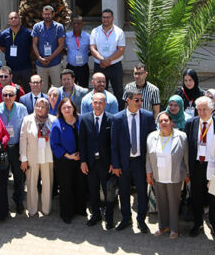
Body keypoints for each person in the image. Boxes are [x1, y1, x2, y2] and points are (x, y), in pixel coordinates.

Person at [111, 90, 156, 233]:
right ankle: (126, 218)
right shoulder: (118, 118)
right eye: (136, 100)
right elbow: (114, 144)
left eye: (141, 100)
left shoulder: (148, 116)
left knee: (142, 191)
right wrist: (116, 165)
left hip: (140, 162)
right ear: (128, 100)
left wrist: (151, 165)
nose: (140, 103)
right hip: (124, 162)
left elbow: (153, 141)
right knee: (123, 191)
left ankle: (141, 220)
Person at [145, 111, 188, 239]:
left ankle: (174, 229)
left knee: (173, 203)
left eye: (166, 120)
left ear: (171, 122)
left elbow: (186, 156)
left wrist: (187, 173)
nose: (163, 123)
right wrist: (148, 173)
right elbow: (148, 157)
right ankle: (162, 226)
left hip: (174, 175)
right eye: (161, 121)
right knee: (161, 202)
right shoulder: (152, 137)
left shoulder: (181, 136)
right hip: (158, 175)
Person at [78, 91, 114, 228]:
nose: (98, 105)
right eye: (95, 102)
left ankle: (109, 217)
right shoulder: (84, 118)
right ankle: (96, 215)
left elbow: (113, 144)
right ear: (91, 104)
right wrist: (83, 161)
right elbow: (82, 142)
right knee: (93, 190)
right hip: (90, 163)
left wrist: (113, 163)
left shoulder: (111, 119)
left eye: (101, 103)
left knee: (108, 191)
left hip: (106, 163)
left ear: (105, 104)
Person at [187, 96, 215, 238]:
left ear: (212, 109)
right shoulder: (191, 123)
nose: (201, 112)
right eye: (199, 109)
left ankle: (214, 224)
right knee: (197, 196)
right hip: (197, 165)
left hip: (213, 166)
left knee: (213, 196)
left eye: (204, 109)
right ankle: (197, 223)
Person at [20, 98, 55, 218]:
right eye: (37, 106)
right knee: (31, 183)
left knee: (47, 184)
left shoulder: (53, 120)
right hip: (32, 157)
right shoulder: (27, 120)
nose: (39, 109)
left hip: (47, 157)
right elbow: (23, 140)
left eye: (43, 106)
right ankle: (32, 209)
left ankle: (46, 209)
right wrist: (23, 159)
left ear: (47, 108)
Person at [50, 98, 84, 224]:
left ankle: (80, 209)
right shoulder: (57, 124)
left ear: (74, 108)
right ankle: (66, 214)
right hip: (65, 161)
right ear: (60, 110)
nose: (67, 109)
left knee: (80, 184)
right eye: (64, 108)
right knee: (66, 187)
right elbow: (54, 145)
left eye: (69, 107)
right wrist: (69, 156)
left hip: (80, 160)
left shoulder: (81, 120)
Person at [0, 85, 27, 215]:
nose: (7, 97)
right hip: (2, 148)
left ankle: (19, 201)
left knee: (19, 177)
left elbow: (25, 129)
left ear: (15, 96)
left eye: (10, 95)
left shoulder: (22, 108)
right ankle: (4, 204)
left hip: (17, 147)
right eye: (5, 95)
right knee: (2, 177)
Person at [89, 9, 125, 95]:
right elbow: (92, 48)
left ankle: (118, 104)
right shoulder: (95, 31)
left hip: (115, 66)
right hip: (100, 65)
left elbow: (121, 49)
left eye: (108, 17)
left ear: (112, 18)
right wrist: (102, 59)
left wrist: (108, 60)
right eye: (104, 17)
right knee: (99, 91)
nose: (106, 19)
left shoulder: (119, 32)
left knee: (118, 91)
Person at [31, 5, 66, 88]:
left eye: (49, 14)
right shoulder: (37, 27)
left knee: (57, 88)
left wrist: (50, 58)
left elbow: (61, 45)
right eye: (45, 14)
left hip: (55, 63)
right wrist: (40, 58)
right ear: (42, 14)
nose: (47, 16)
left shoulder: (59, 27)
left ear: (53, 14)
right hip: (41, 64)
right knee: (42, 88)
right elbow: (34, 44)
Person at [0, 11, 34, 86]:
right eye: (11, 18)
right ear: (9, 21)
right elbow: (2, 48)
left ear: (19, 19)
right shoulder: (4, 34)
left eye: (15, 17)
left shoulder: (27, 33)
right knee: (12, 89)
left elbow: (32, 47)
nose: (13, 19)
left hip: (26, 67)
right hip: (11, 68)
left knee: (27, 88)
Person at [64, 15, 91, 87]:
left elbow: (92, 50)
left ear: (82, 24)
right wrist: (69, 55)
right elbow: (62, 48)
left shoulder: (88, 37)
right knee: (69, 88)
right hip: (71, 67)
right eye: (74, 23)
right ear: (71, 24)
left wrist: (85, 55)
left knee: (84, 88)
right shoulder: (67, 36)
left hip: (83, 68)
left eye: (78, 23)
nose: (76, 25)